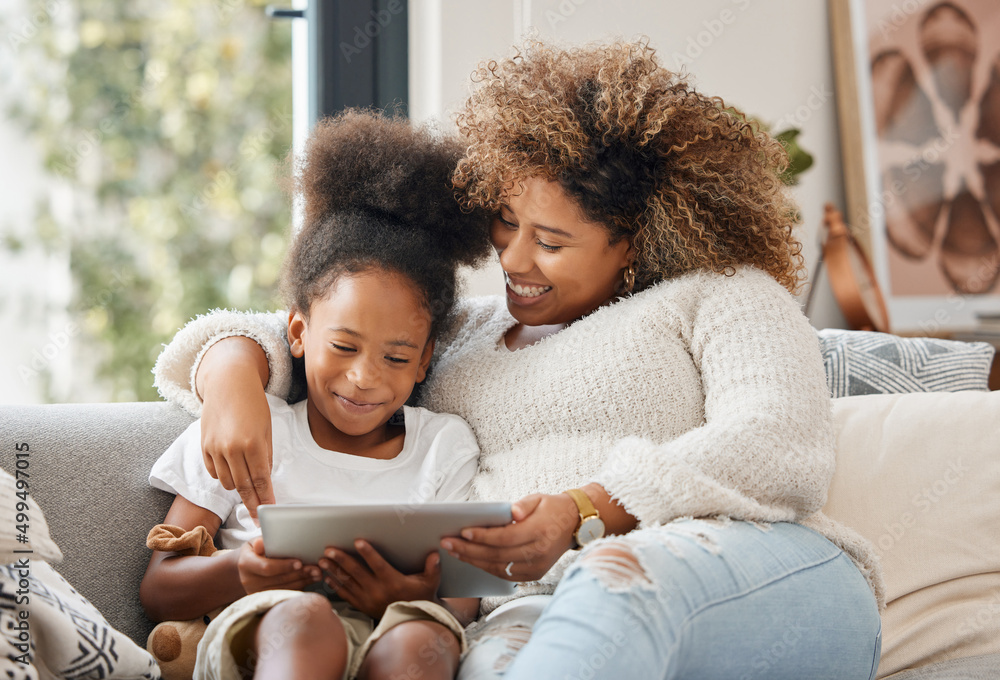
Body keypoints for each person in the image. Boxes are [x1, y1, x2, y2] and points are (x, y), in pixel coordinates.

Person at [153, 40, 884, 679]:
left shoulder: (719, 295)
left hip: (745, 573)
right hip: (524, 611)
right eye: (506, 222)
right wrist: (231, 374)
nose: (512, 258)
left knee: (608, 581)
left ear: (633, 241)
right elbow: (340, 318)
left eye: (552, 242)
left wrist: (585, 512)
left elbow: (782, 445)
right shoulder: (466, 333)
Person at [140, 110, 493, 680]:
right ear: (298, 333)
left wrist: (409, 595)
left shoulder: (443, 446)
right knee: (304, 617)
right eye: (345, 347)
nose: (364, 378)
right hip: (271, 627)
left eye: (397, 358)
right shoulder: (257, 429)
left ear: (426, 358)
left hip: (394, 627)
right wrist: (240, 572)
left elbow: (462, 605)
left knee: (421, 638)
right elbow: (159, 587)